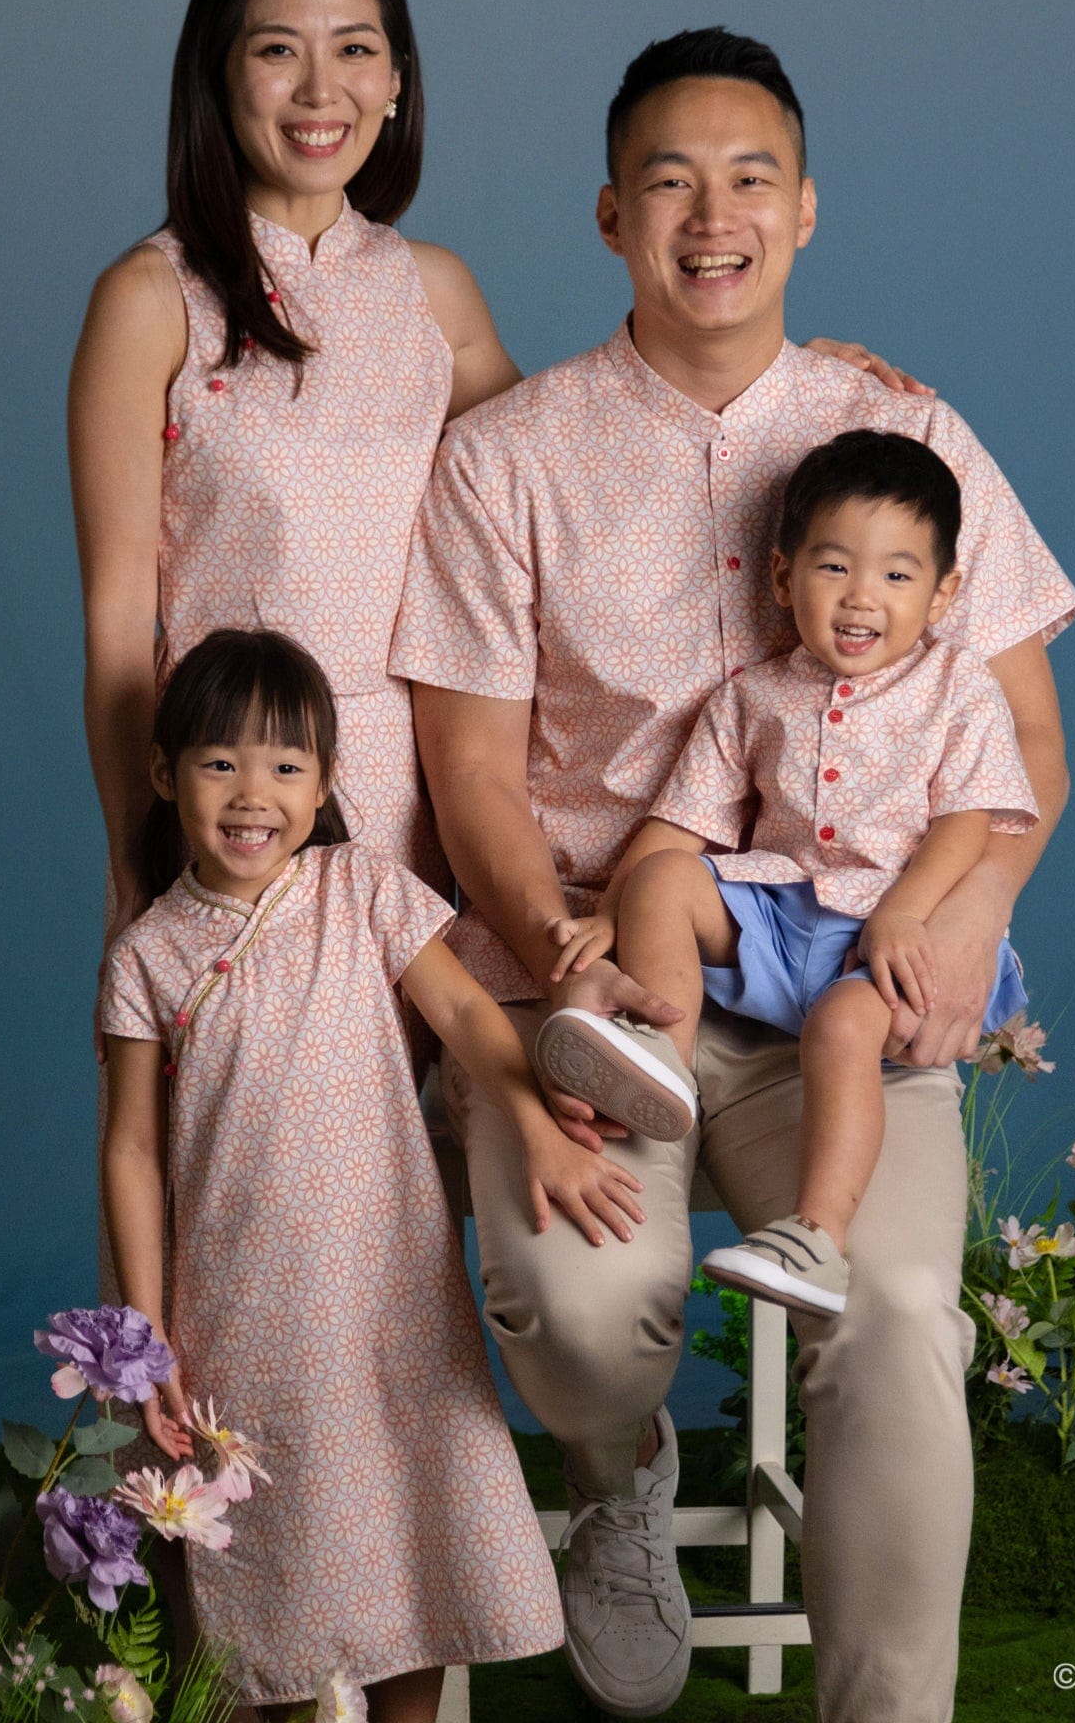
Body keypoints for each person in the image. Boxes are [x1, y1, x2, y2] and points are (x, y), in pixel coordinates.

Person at [391, 28, 1075, 1720]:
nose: (715, 213)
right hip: (605, 986)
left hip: (850, 990)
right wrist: (568, 953)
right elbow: (468, 772)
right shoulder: (511, 456)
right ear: (615, 212)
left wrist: (971, 907)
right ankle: (618, 1483)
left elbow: (1030, 752)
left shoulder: (905, 432)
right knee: (569, 1291)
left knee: (906, 1308)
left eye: (751, 174)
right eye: (673, 180)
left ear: (807, 207)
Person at [68, 0, 901, 948]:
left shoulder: (431, 293)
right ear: (218, 74)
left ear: (398, 80)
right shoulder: (153, 300)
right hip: (228, 796)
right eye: (278, 51)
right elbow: (115, 631)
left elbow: (589, 441)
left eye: (356, 51)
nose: (322, 91)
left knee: (398, 1097)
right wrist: (142, 857)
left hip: (403, 800)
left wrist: (790, 380)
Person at [101, 628, 645, 1723]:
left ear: (326, 781)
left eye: (287, 766)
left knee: (411, 1538)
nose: (254, 793)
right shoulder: (147, 955)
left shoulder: (364, 891)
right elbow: (131, 1148)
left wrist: (538, 1124)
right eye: (219, 762)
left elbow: (468, 1015)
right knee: (253, 1547)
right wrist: (142, 1325)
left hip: (386, 1289)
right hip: (238, 1305)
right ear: (165, 774)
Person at [534, 430, 1039, 1317]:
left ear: (942, 593)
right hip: (783, 914)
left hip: (896, 937)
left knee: (844, 1029)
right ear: (781, 578)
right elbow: (681, 822)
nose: (860, 598)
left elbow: (970, 819)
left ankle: (816, 1236)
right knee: (661, 881)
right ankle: (662, 1059)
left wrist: (906, 914)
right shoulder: (751, 695)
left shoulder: (958, 688)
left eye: (895, 575)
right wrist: (615, 913)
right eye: (833, 567)